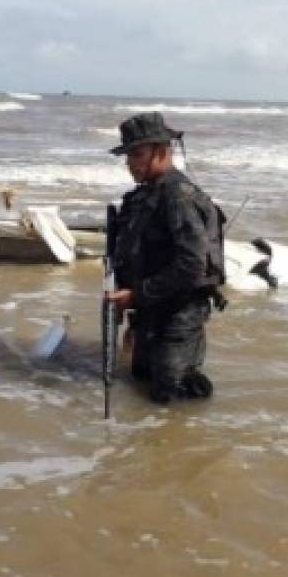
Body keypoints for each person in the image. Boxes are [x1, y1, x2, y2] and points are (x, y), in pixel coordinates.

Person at [107, 112, 225, 403]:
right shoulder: (147, 195)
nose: (130, 163)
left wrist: (136, 296)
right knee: (141, 378)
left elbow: (192, 264)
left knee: (171, 395)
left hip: (179, 312)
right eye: (128, 155)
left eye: (137, 154)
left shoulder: (177, 196)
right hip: (152, 308)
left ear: (161, 152)